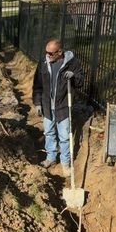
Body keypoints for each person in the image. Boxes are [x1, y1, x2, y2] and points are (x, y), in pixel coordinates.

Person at [32, 39, 84, 177]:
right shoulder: (43, 63)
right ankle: (50, 157)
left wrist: (74, 77)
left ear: (59, 52)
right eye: (46, 52)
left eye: (50, 53)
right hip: (47, 105)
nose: (47, 55)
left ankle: (65, 163)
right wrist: (37, 103)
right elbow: (37, 85)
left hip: (63, 106)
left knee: (64, 136)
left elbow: (80, 81)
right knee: (49, 132)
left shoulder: (72, 63)